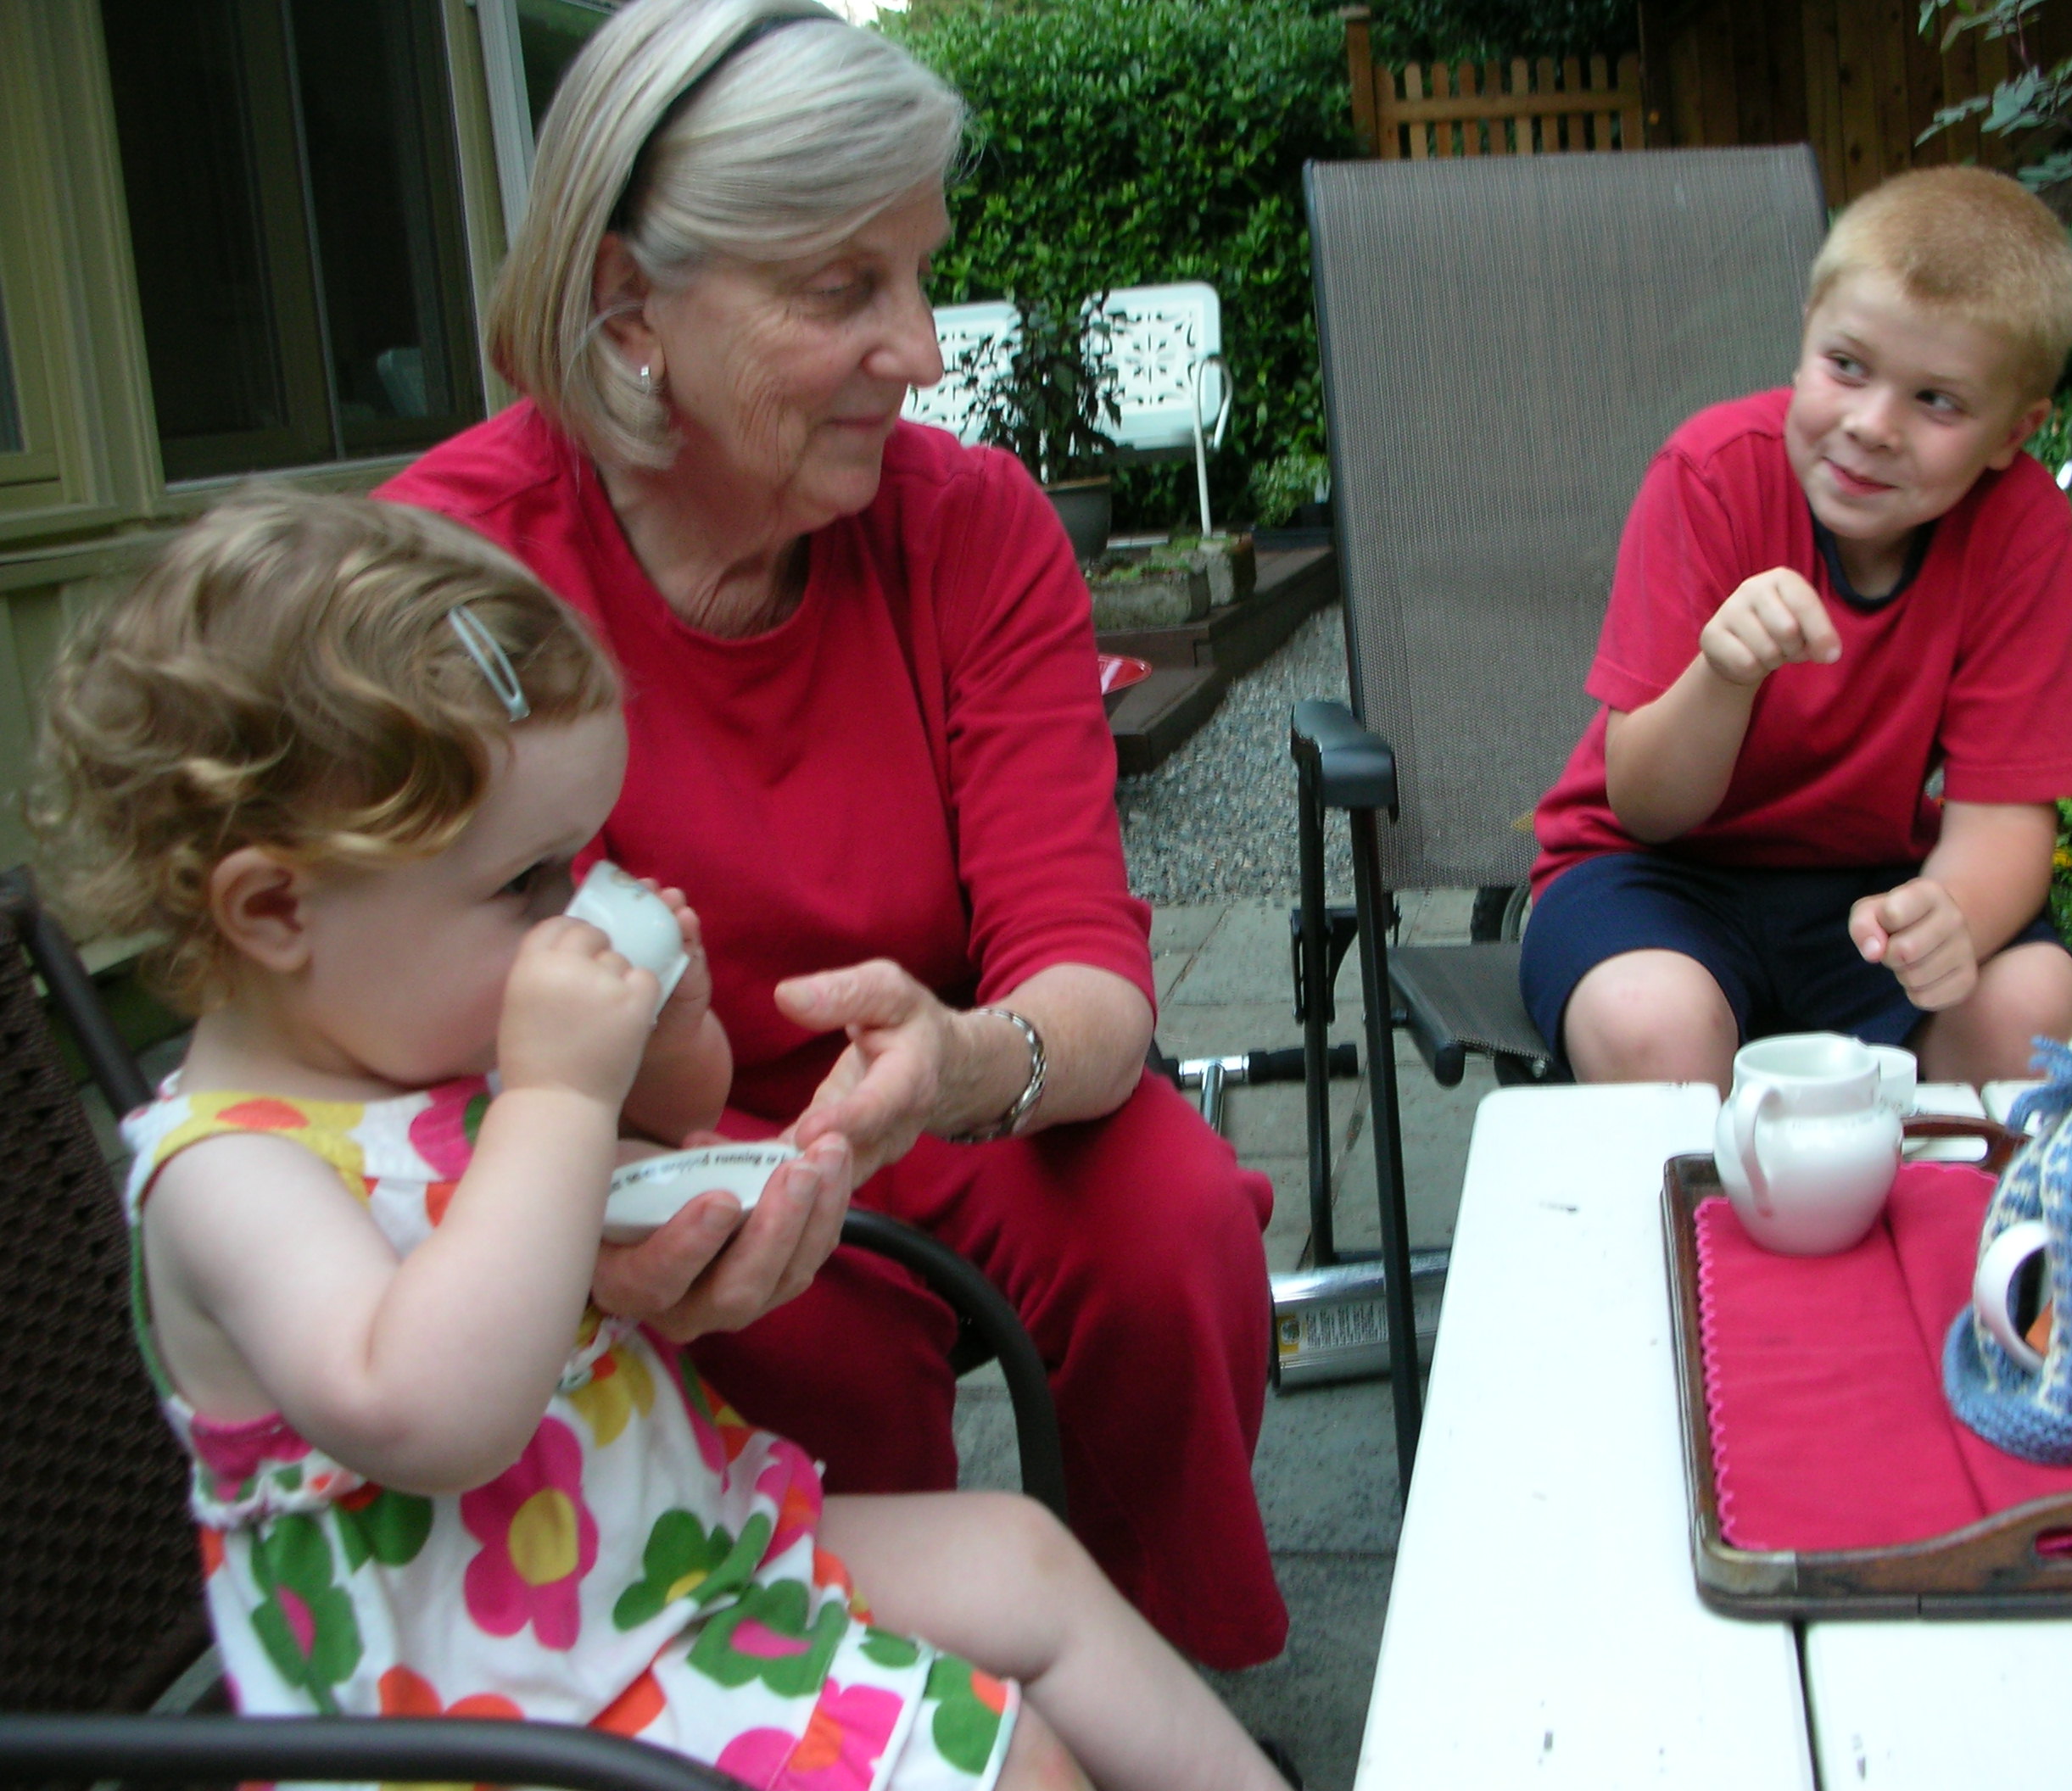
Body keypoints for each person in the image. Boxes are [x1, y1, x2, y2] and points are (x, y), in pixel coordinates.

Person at [35, 486, 1297, 1791]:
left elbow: (661, 1132)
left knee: (1023, 1558)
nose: (577, 911)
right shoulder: (229, 1175)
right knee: (1010, 1759)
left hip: (664, 1572)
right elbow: (433, 1414)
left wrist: (677, 1037)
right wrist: (559, 1100)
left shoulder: (420, 1049)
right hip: (496, 1715)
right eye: (526, 882)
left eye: (577, 862)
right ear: (274, 910)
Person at [376, 0, 1285, 1671]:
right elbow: (373, 1044)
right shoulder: (444, 584)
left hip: (926, 1099)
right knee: (806, 1330)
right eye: (841, 288)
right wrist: (593, 1192)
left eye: (918, 274)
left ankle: (1158, 1684)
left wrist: (966, 1059)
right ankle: (856, 1720)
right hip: (613, 1158)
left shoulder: (971, 531)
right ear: (627, 310)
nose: (923, 351)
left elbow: (1085, 976)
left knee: (1168, 1215)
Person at [1522, 165, 2072, 1092]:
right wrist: (1722, 676)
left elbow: (2004, 819)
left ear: (2013, 431)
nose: (1872, 425)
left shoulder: (2018, 525)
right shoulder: (1711, 474)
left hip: (1868, 892)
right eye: (1847, 367)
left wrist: (1951, 912)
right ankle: (1703, 1190)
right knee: (1651, 1021)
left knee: (2031, 1005)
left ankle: (1930, 1186)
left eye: (1937, 400)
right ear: (1803, 339)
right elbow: (1646, 804)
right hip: (1651, 879)